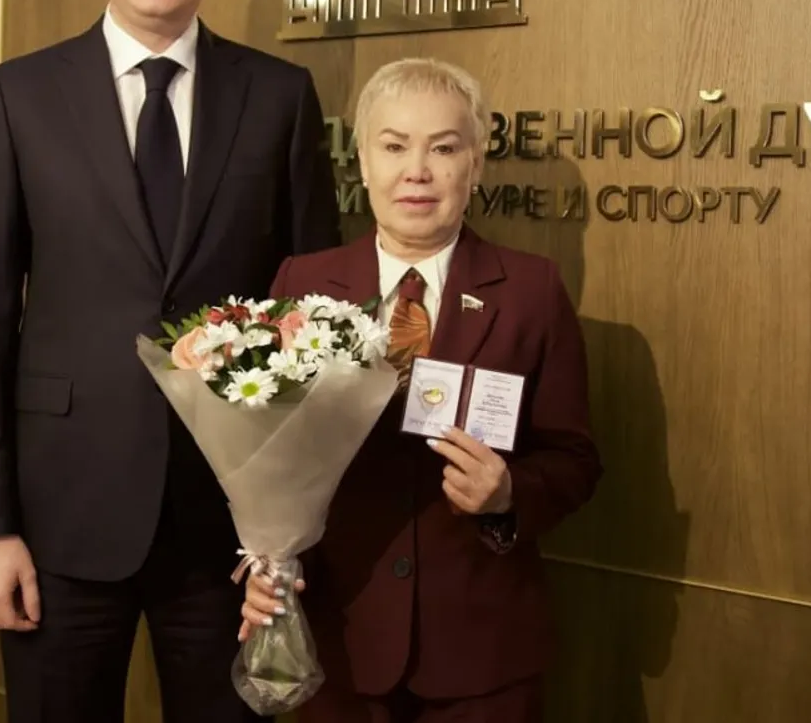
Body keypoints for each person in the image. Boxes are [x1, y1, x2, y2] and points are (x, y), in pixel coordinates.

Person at [0, 0, 342, 722]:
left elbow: (314, 320)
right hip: (58, 521)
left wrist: (289, 529)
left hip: (230, 536)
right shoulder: (18, 96)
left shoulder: (279, 98)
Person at [242, 58, 603, 722]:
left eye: (443, 148)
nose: (417, 171)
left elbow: (575, 459)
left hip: (482, 655)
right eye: (394, 146)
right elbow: (263, 455)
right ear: (362, 161)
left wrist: (508, 494)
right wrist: (263, 562)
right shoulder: (301, 283)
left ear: (475, 164)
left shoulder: (532, 291)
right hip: (337, 641)